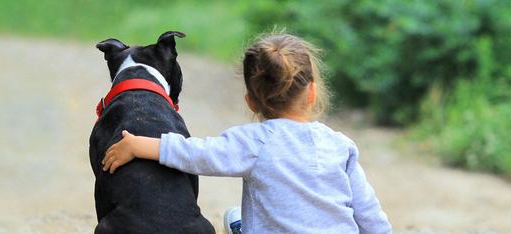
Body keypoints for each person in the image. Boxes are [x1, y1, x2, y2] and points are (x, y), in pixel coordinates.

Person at [102, 32, 392, 233]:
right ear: (313, 92)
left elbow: (199, 154)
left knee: (234, 218)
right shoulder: (341, 146)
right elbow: (371, 217)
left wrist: (141, 146)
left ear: (251, 101)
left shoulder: (255, 142)